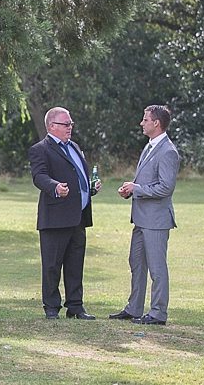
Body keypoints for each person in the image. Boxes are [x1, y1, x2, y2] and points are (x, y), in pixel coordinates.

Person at [29, 107, 102, 320]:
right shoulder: (41, 149)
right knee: (52, 265)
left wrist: (90, 188)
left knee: (75, 264)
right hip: (55, 217)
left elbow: (76, 175)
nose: (70, 127)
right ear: (52, 126)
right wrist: (54, 187)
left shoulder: (75, 147)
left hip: (78, 217)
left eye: (71, 124)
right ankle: (51, 307)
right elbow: (39, 176)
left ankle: (76, 307)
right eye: (66, 124)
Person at [111, 105, 180, 325]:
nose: (142, 123)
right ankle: (134, 309)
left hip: (156, 221)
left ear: (156, 123)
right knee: (136, 263)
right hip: (141, 219)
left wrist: (137, 189)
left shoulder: (168, 151)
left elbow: (165, 188)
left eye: (145, 119)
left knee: (157, 268)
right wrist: (130, 191)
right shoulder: (149, 147)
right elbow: (146, 183)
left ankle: (158, 314)